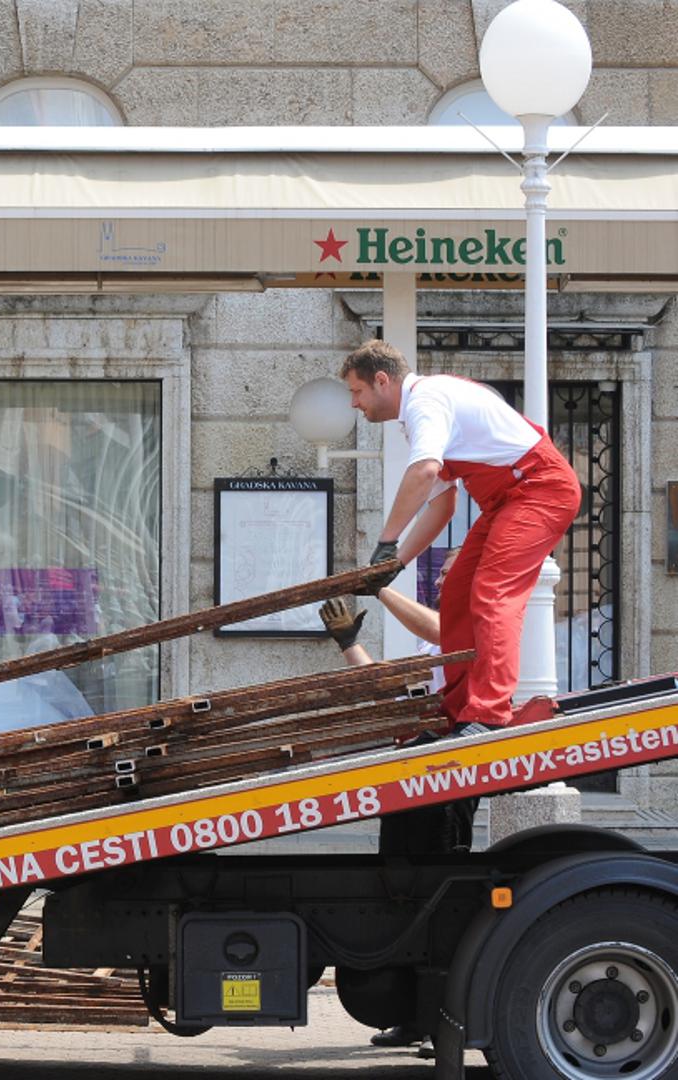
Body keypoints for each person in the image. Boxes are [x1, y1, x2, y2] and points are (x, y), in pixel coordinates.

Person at [341, 340, 580, 730]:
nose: (354, 403)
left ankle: (488, 712)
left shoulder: (425, 401)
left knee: (493, 591)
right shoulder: (418, 414)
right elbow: (442, 506)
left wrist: (387, 543)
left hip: (540, 488)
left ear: (382, 380)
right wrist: (395, 563)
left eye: (357, 391)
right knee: (456, 593)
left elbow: (424, 472)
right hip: (508, 499)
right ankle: (459, 709)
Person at [318, 549, 475, 1056]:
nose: (442, 582)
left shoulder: (481, 621)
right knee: (401, 896)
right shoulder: (435, 644)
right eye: (441, 575)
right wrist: (350, 644)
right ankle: (411, 1018)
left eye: (450, 574)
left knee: (436, 905)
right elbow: (391, 696)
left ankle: (442, 1025)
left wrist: (380, 588)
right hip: (412, 778)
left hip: (445, 781)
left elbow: (444, 633)